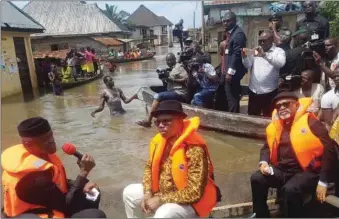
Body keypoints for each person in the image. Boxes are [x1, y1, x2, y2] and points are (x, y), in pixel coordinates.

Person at [123, 100, 218, 218]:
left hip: (192, 203)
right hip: (164, 194)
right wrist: (148, 193)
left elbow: (194, 192)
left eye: (166, 121)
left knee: (164, 214)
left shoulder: (194, 148)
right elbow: (149, 169)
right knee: (129, 193)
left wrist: (160, 199)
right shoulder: (158, 142)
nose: (161, 125)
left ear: (179, 121)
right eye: (157, 122)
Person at [1, 117, 106, 218]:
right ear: (28, 144)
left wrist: (82, 183)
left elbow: (57, 184)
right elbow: (67, 206)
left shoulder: (41, 156)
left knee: (93, 192)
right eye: (44, 139)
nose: (51, 141)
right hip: (34, 214)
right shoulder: (35, 178)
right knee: (95, 216)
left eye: (51, 136)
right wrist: (83, 173)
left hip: (50, 203)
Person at [250, 92, 334, 217]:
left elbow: (330, 150)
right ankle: (261, 214)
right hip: (283, 169)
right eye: (278, 106)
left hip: (307, 171)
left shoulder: (311, 123)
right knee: (257, 178)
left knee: (290, 189)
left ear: (296, 105)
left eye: (286, 104)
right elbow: (267, 147)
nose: (282, 108)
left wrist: (323, 181)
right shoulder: (276, 126)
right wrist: (263, 162)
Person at [137, 53, 188, 127]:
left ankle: (149, 121)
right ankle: (159, 119)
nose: (169, 62)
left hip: (180, 93)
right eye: (167, 61)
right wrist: (163, 78)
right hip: (172, 91)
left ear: (174, 59)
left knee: (158, 96)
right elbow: (166, 84)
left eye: (170, 60)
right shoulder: (170, 69)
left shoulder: (179, 67)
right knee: (160, 95)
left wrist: (171, 79)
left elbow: (186, 80)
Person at [242, 30, 286, 117]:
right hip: (254, 91)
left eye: (264, 40)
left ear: (271, 40)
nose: (261, 43)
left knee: (269, 117)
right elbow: (248, 65)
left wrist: (264, 55)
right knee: (252, 118)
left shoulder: (278, 51)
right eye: (260, 41)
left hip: (269, 92)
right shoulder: (256, 50)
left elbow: (281, 63)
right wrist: (244, 57)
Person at [222, 12, 247, 113]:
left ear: (234, 21)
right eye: (224, 21)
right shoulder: (231, 34)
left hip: (232, 74)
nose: (225, 23)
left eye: (228, 21)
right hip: (228, 72)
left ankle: (233, 120)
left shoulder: (238, 34)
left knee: (232, 99)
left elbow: (237, 54)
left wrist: (229, 72)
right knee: (230, 97)